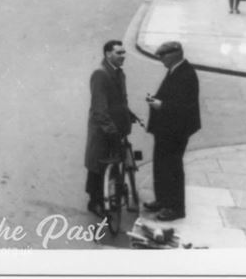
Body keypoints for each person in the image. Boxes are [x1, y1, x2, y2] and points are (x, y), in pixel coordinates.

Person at [145, 41, 201, 221]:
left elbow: (184, 106)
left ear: (172, 55)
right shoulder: (176, 70)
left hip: (176, 130)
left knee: (172, 168)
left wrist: (161, 104)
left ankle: (175, 208)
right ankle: (162, 200)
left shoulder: (186, 74)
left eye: (162, 57)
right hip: (167, 128)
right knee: (161, 165)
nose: (161, 60)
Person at [84, 40, 133, 218]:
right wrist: (111, 130)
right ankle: (95, 202)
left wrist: (128, 115)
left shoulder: (119, 73)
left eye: (123, 52)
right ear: (107, 54)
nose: (123, 56)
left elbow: (120, 99)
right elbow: (99, 108)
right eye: (119, 53)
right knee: (98, 165)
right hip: (103, 129)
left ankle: (109, 195)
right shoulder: (100, 74)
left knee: (113, 163)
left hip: (116, 126)